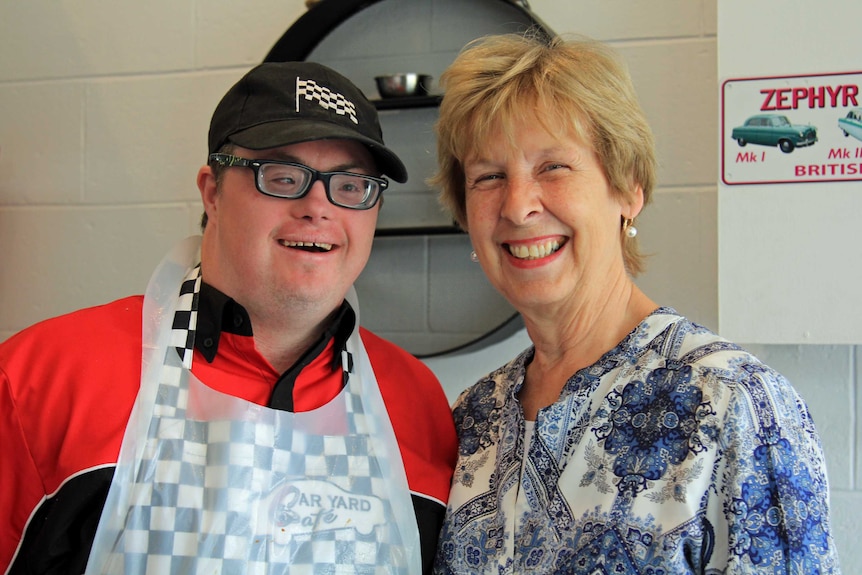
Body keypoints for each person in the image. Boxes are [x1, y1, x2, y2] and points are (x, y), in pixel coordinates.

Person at [1, 61, 457, 575]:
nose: (318, 207)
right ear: (212, 191)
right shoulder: (43, 377)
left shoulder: (417, 403)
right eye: (282, 177)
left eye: (351, 186)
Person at [429, 32, 840, 574]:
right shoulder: (471, 417)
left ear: (628, 188)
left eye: (553, 167)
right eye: (489, 177)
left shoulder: (735, 405)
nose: (518, 205)